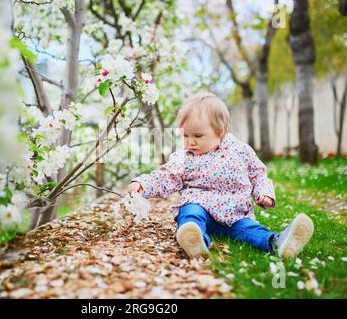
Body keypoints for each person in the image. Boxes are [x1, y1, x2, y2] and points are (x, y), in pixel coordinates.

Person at [128, 92, 314, 259]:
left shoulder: (241, 151)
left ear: (220, 132)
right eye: (185, 135)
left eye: (198, 136)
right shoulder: (184, 157)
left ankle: (277, 242)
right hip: (199, 206)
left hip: (234, 214)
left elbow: (258, 174)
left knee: (250, 230)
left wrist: (263, 193)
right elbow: (165, 176)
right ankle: (195, 239)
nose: (190, 142)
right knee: (191, 213)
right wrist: (143, 184)